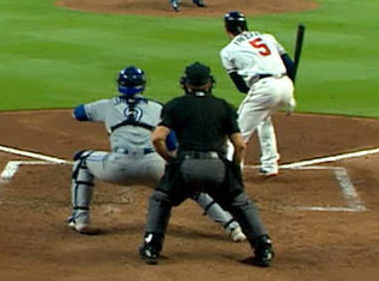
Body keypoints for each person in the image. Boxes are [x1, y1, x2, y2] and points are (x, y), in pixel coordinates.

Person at [68, 65, 248, 242]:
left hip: (117, 167)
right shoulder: (158, 107)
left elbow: (78, 113)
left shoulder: (106, 105)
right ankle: (233, 227)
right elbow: (170, 142)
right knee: (192, 185)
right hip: (154, 166)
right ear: (143, 85)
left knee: (82, 161)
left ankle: (80, 219)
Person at [142, 62, 273, 267]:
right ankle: (263, 247)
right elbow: (240, 145)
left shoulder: (175, 105)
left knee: (161, 199)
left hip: (186, 167)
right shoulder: (224, 106)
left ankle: (152, 246)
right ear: (209, 83)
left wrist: (171, 160)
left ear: (186, 84)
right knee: (240, 202)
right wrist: (233, 169)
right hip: (217, 168)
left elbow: (158, 138)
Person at [218, 11, 297, 179]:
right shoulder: (268, 37)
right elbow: (290, 65)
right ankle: (270, 164)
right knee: (264, 119)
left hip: (265, 88)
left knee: (237, 133)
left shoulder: (228, 51)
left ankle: (231, 174)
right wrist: (288, 93)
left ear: (227, 30)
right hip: (285, 84)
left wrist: (262, 95)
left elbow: (240, 86)